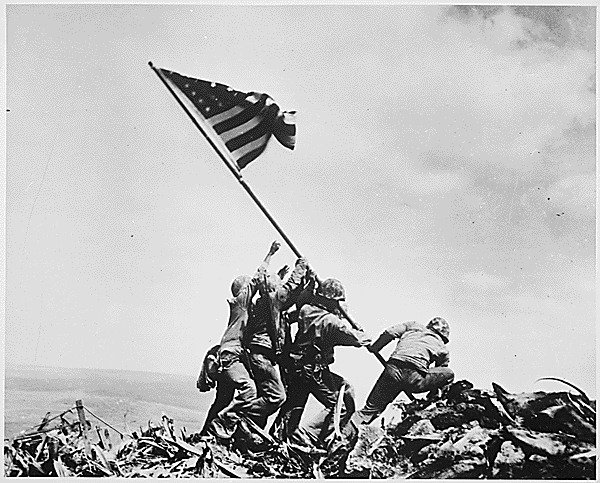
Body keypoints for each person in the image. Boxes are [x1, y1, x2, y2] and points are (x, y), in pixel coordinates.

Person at [274, 278, 372, 448]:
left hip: (296, 366)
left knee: (294, 404)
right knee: (342, 402)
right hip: (313, 371)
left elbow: (290, 317)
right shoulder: (332, 322)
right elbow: (358, 340)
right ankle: (309, 436)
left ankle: (278, 437)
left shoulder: (306, 310)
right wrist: (359, 330)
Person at [208, 241, 281, 437]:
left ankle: (208, 432)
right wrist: (270, 254)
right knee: (249, 390)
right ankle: (224, 422)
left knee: (223, 398)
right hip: (231, 355)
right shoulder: (241, 302)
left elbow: (263, 291)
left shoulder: (244, 308)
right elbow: (257, 279)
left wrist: (278, 278)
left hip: (233, 355)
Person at [243, 257, 310, 428]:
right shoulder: (272, 300)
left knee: (265, 396)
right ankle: (237, 414)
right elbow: (288, 290)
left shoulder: (268, 306)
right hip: (262, 357)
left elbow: (292, 301)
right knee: (276, 396)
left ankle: (250, 434)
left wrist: (308, 285)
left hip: (261, 356)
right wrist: (301, 267)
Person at [351, 317, 454, 427]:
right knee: (449, 374)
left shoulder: (413, 326)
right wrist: (432, 395)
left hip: (392, 371)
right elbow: (440, 374)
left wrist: (375, 348)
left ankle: (345, 430)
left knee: (369, 410)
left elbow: (390, 332)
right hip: (414, 378)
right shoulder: (442, 348)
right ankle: (430, 401)